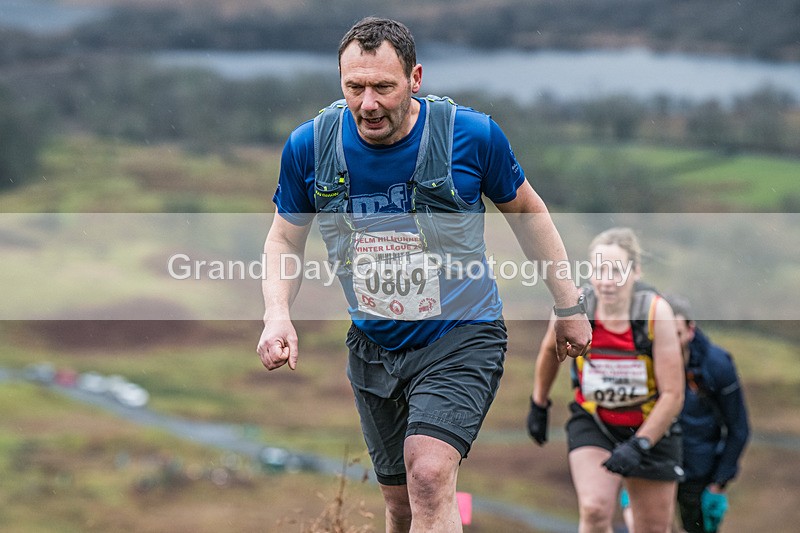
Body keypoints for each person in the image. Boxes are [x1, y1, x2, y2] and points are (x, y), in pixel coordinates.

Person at [256, 16, 592, 533]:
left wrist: (567, 306)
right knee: (401, 505)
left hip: (461, 335)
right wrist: (276, 314)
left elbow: (527, 212)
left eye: (383, 87)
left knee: (430, 477)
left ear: (415, 79)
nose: (368, 103)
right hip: (372, 346)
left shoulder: (472, 137)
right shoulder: (310, 146)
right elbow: (284, 237)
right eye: (354, 87)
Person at [527, 227, 685, 533]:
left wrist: (640, 444)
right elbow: (550, 349)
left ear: (636, 272)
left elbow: (674, 395)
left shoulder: (655, 313)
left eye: (617, 270)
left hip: (651, 426)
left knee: (651, 527)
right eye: (600, 269)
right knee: (595, 509)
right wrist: (539, 403)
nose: (607, 280)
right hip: (595, 420)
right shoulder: (575, 306)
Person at [621, 295, 750, 533]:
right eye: (662, 332)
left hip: (699, 471)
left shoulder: (717, 366)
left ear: (690, 331)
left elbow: (738, 428)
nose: (668, 339)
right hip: (653, 462)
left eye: (676, 333)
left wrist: (718, 484)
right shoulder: (641, 359)